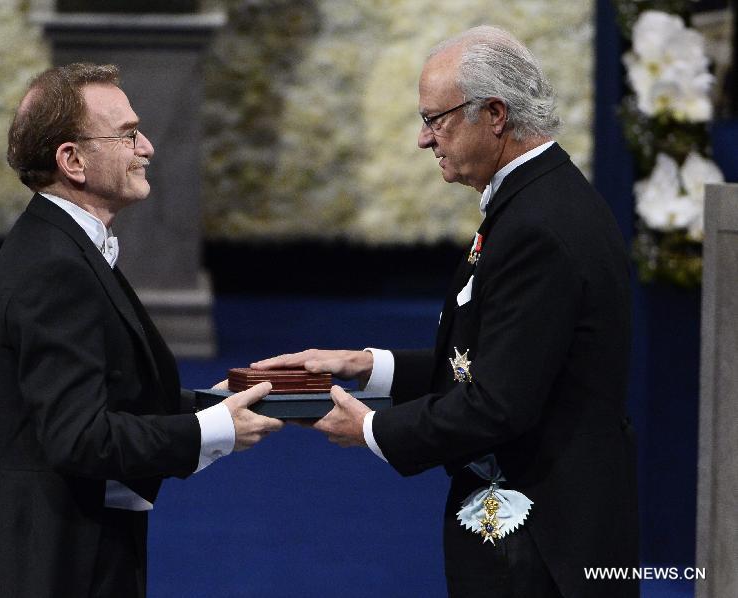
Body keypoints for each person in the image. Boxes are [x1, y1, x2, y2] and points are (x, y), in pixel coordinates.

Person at [253, 26, 638, 597]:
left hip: (540, 545)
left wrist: (373, 427)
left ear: (495, 114)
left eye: (436, 119)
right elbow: (496, 357)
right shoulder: (537, 199)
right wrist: (368, 365)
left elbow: (499, 403)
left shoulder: (538, 225)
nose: (423, 139)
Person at [0, 63, 284, 598]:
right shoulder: (54, 267)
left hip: (79, 539)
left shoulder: (65, 245)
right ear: (72, 160)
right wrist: (213, 430)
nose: (147, 147)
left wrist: (220, 404)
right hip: (59, 561)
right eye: (126, 134)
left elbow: (112, 391)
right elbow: (80, 438)